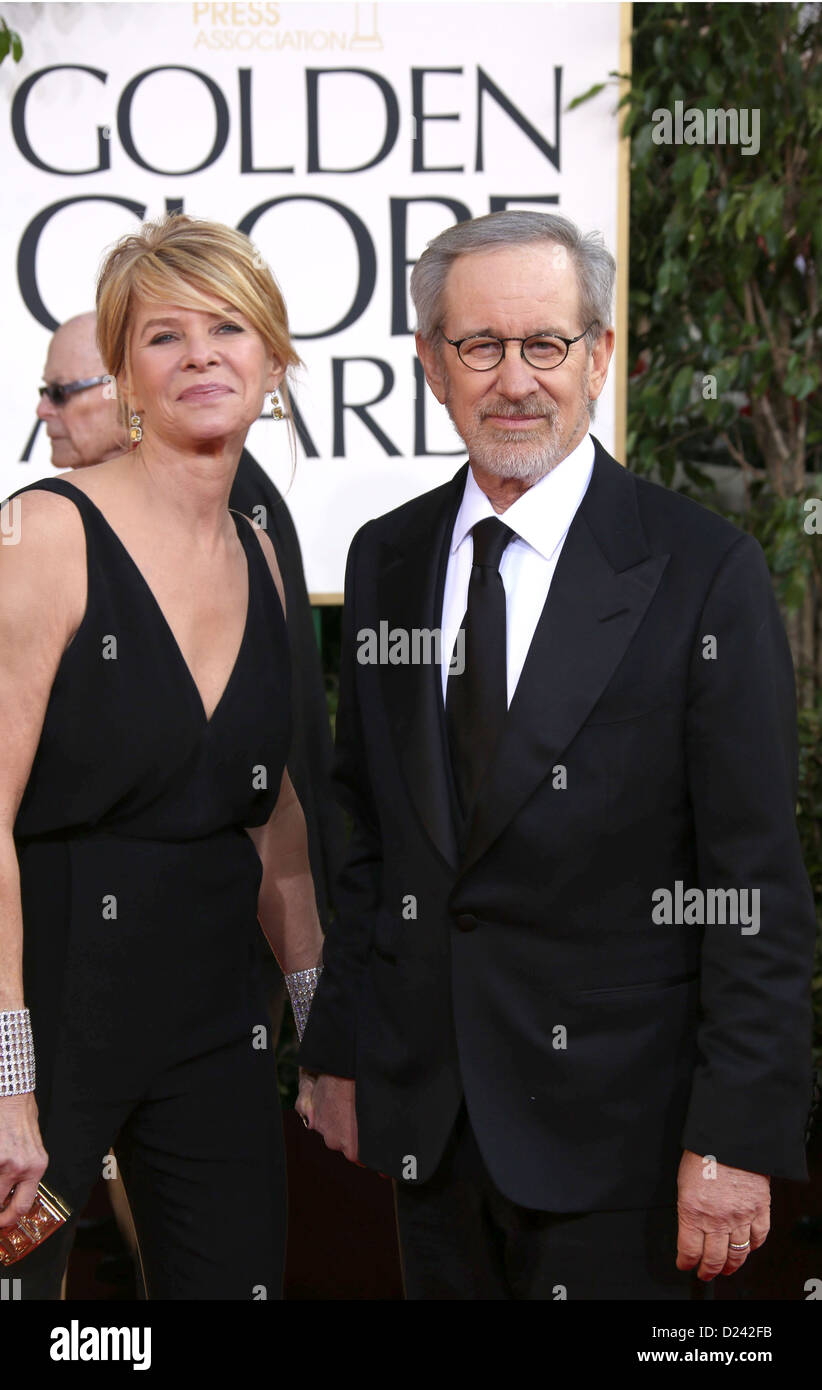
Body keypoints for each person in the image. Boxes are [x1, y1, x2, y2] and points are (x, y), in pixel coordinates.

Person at [296, 210, 817, 1300]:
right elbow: (370, 839)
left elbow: (753, 887)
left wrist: (734, 1134)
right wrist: (339, 1043)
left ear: (599, 358)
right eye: (480, 345)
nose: (516, 379)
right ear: (432, 365)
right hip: (432, 1126)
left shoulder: (699, 570)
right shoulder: (386, 560)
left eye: (547, 344)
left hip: (621, 1139)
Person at [0, 214, 325, 1299]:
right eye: (163, 336)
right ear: (125, 374)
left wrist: (322, 1027)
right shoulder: (45, 532)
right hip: (47, 994)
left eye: (230, 328)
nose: (201, 357)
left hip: (211, 1011)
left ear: (271, 357)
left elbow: (271, 818)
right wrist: (7, 1077)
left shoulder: (268, 556)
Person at [36, 312, 345, 954]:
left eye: (62, 391)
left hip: (240, 934)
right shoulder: (47, 527)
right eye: (166, 340)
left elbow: (272, 771)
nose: (44, 410)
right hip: (83, 969)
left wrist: (308, 982)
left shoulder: (237, 512)